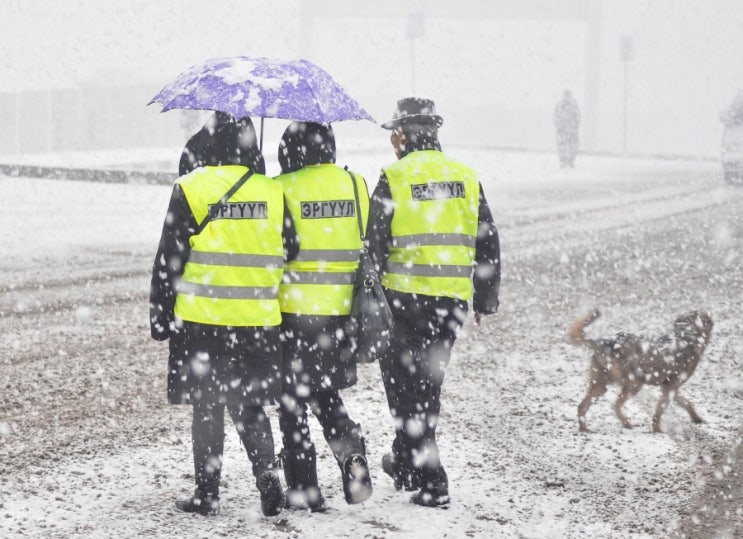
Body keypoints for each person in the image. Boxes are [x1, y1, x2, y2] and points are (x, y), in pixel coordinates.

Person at [149, 112, 298, 517]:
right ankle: (267, 472)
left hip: (202, 321)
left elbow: (169, 259)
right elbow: (293, 248)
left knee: (208, 405)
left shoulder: (191, 187)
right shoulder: (271, 191)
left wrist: (160, 316)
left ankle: (207, 492)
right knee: (249, 402)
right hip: (257, 320)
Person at [368, 97, 501, 507]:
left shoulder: (395, 176)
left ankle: (433, 479)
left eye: (395, 133)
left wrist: (368, 293)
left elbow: (374, 242)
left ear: (405, 134)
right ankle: (407, 464)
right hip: (450, 303)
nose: (393, 141)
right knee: (427, 387)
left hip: (403, 301)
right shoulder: (465, 177)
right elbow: (487, 240)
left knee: (405, 391)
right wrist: (484, 297)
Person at [274, 121, 373, 511]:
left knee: (292, 400)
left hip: (292, 311)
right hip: (341, 314)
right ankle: (350, 453)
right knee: (324, 389)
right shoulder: (355, 184)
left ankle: (304, 488)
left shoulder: (281, 187)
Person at [553, 89, 581, 168]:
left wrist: (559, 126)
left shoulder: (560, 105)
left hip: (563, 130)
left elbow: (555, 117)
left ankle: (564, 161)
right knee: (572, 146)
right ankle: (569, 161)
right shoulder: (574, 105)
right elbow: (578, 117)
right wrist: (575, 126)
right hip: (570, 130)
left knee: (563, 146)